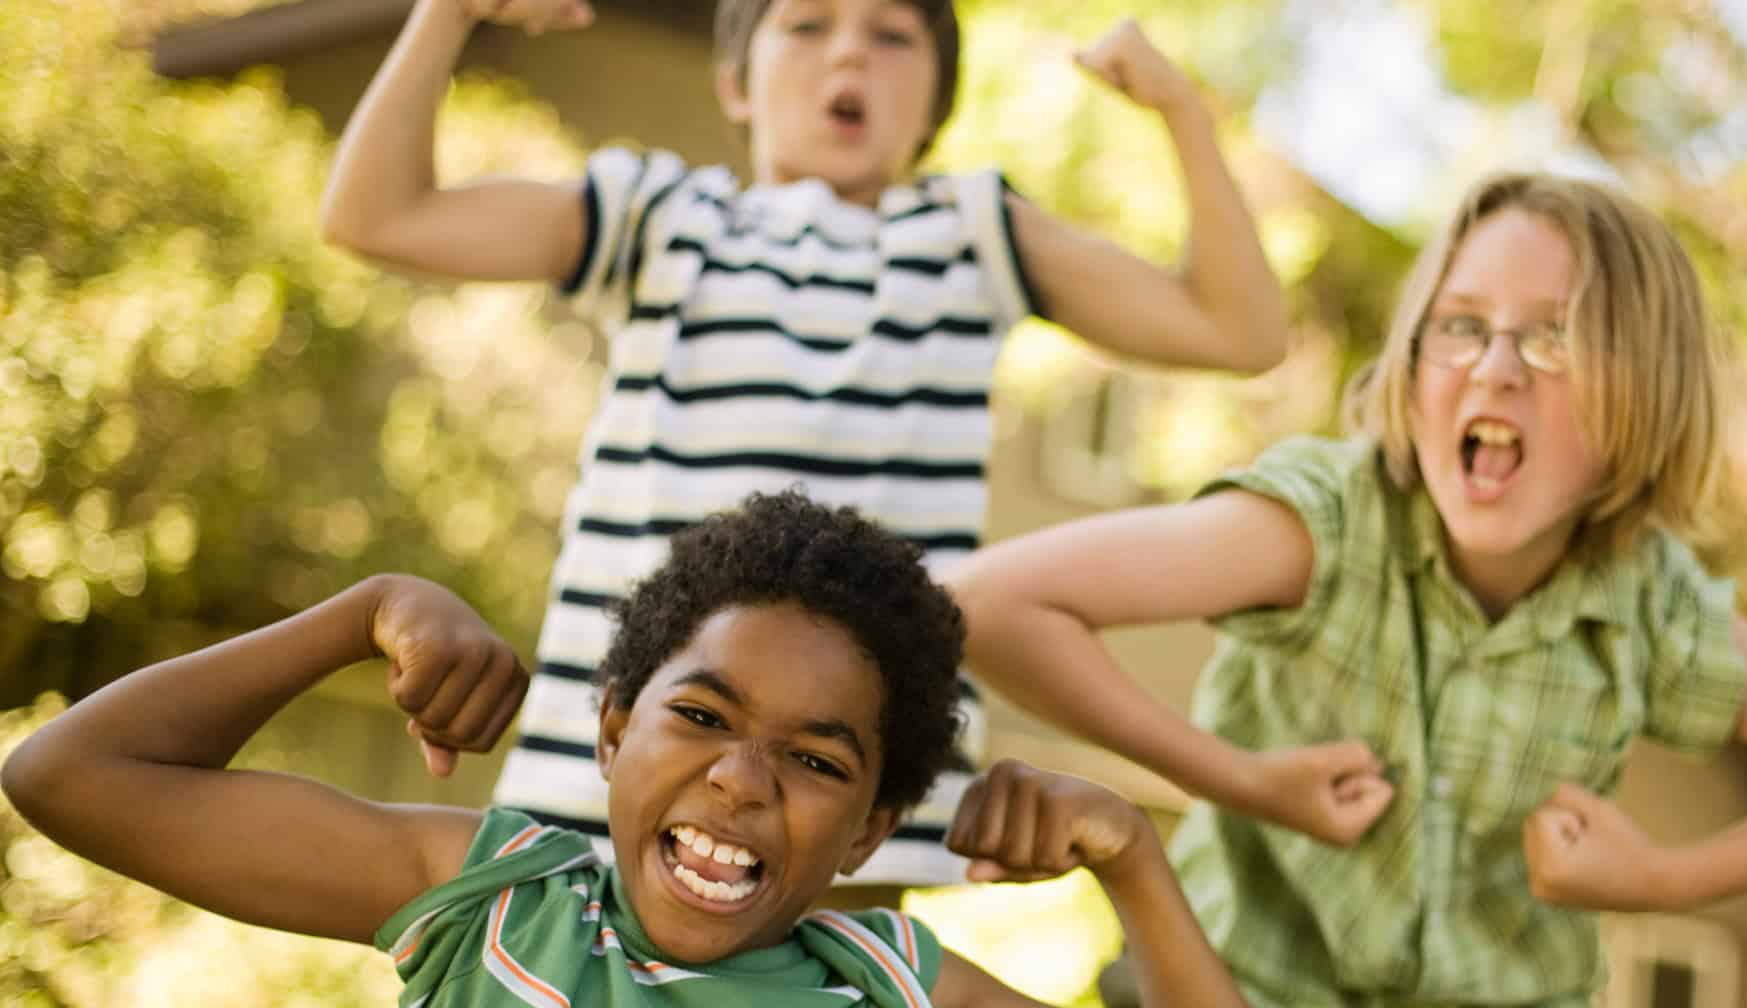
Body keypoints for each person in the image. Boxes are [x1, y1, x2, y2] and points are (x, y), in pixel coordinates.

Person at [944, 172, 1747, 1008]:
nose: (1495, 368)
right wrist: (1242, 777)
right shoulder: (1327, 523)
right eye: (1461, 325)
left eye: (1554, 335)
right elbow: (991, 604)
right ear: (1412, 362)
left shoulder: (1647, 608)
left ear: (1645, 393)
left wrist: (1664, 878)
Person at [1, 491, 1314, 1008]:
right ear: (614, 730)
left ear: (868, 830)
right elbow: (70, 776)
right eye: (701, 716)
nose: (742, 780)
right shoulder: (489, 904)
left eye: (815, 759)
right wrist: (362, 612)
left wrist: (1133, 855)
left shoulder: (890, 997)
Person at [319, 0, 1286, 887]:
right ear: (736, 82)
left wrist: (1179, 110)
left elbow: (1237, 332)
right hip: (602, 793)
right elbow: (374, 215)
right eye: (808, 24)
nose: (851, 49)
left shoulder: (971, 236)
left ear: (933, 105)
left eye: (892, 34)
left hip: (852, 828)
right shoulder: (661, 218)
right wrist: (447, 12)